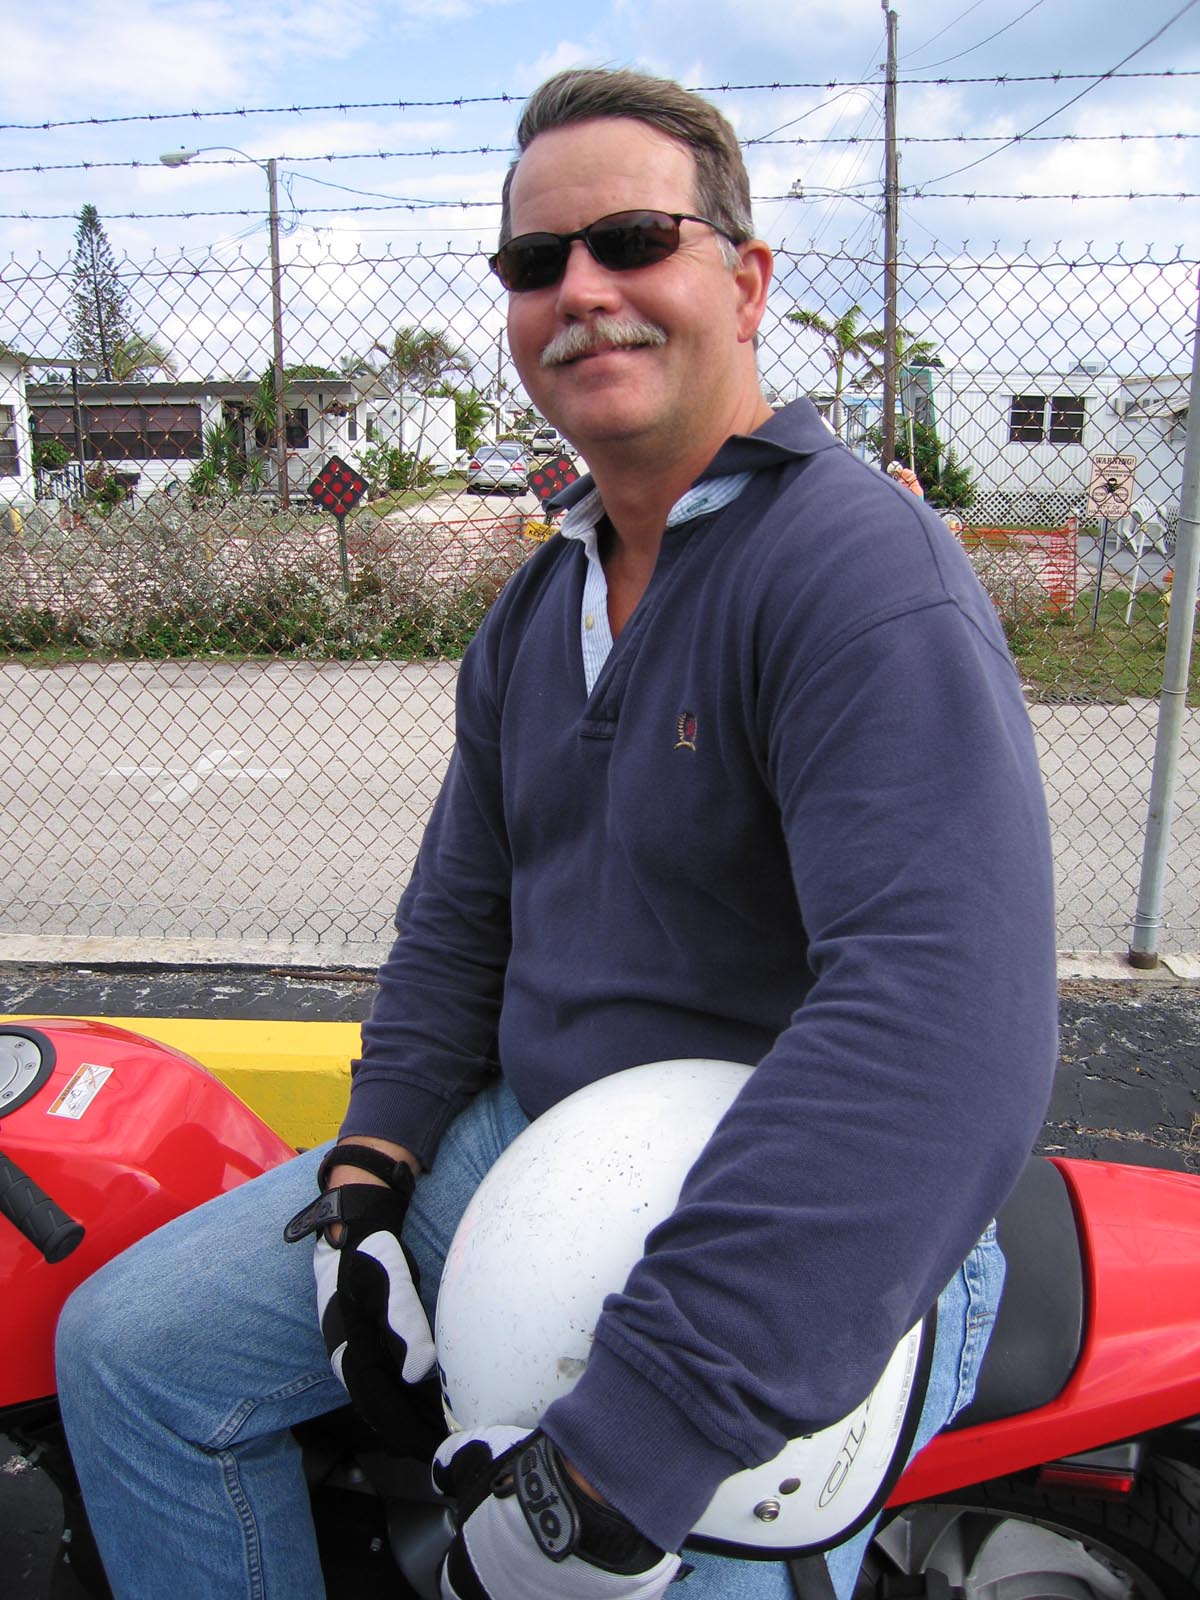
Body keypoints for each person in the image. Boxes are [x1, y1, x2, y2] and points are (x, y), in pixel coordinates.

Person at [56, 67, 1058, 1600]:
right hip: (528, 1147)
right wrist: (370, 1177)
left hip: (792, 1207)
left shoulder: (855, 572)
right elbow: (461, 919)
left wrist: (633, 1445)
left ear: (746, 280)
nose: (582, 290)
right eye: (538, 261)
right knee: (131, 1359)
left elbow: (945, 1032)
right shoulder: (542, 600)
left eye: (634, 241)